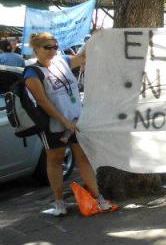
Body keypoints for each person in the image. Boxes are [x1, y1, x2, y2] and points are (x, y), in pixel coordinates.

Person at [24, 32, 111, 216]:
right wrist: (64, 122)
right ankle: (59, 202)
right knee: (55, 160)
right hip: (54, 126)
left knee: (84, 159)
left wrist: (95, 38)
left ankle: (98, 198)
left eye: (55, 46)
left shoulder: (62, 60)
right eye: (48, 47)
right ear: (36, 49)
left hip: (77, 122)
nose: (53, 50)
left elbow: (83, 57)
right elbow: (42, 102)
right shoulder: (32, 73)